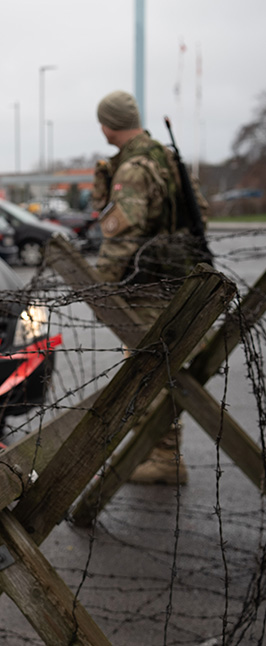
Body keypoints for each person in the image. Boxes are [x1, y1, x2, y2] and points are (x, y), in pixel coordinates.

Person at [92, 90, 209, 485]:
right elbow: (200, 210)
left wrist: (99, 289)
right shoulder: (167, 159)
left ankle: (163, 456)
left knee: (148, 371)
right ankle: (156, 449)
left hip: (147, 286)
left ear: (108, 124)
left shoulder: (134, 168)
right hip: (181, 280)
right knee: (165, 368)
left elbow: (122, 236)